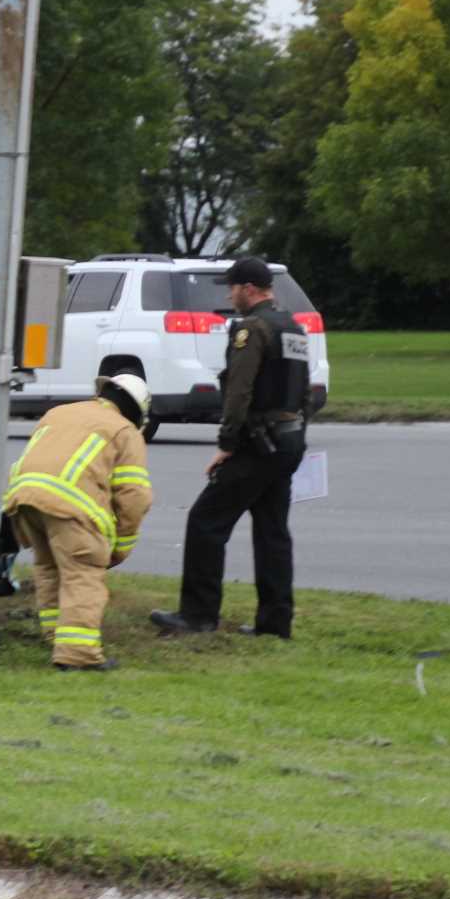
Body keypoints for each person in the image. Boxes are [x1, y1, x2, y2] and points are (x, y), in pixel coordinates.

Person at [151, 256, 311, 639]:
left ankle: (198, 615)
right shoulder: (293, 328)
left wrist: (227, 444)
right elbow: (303, 391)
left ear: (249, 289)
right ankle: (275, 624)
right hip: (289, 441)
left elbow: (239, 391)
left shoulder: (251, 330)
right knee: (272, 532)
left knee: (206, 522)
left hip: (257, 443)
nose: (230, 294)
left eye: (233, 287)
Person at [2, 373, 154, 672]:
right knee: (83, 574)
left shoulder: (59, 412)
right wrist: (118, 549)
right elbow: (134, 498)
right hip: (69, 506)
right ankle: (77, 654)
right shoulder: (124, 431)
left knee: (48, 569)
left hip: (25, 498)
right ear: (137, 411)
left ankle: (56, 635)